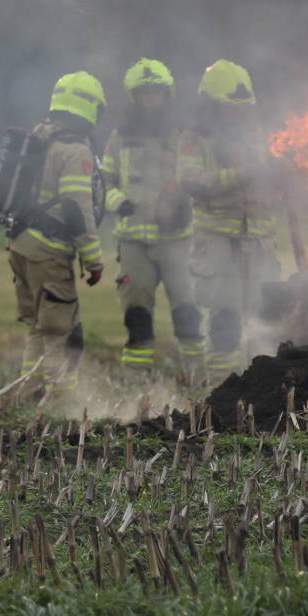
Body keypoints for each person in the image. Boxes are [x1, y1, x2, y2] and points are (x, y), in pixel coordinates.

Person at [100, 59, 207, 377]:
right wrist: (117, 201)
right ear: (134, 97)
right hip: (133, 242)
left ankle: (199, 380)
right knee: (137, 315)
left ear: (167, 95)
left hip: (176, 241)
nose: (151, 100)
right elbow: (105, 182)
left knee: (188, 313)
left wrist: (185, 201)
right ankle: (136, 383)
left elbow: (196, 177)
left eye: (156, 94)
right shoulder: (119, 137)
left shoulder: (182, 135)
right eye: (144, 94)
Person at [5, 72, 109, 397]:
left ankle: (27, 397)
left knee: (38, 328)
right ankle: (61, 409)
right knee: (61, 334)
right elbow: (78, 209)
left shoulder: (40, 137)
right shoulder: (74, 150)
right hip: (49, 252)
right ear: (90, 108)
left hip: (20, 245)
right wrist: (93, 259)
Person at [187, 60, 283, 378]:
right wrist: (241, 175)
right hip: (218, 241)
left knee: (267, 318)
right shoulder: (194, 139)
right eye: (231, 108)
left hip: (259, 239)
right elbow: (193, 182)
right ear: (211, 106)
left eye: (243, 108)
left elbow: (271, 175)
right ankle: (221, 396)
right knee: (224, 323)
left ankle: (263, 390)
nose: (238, 114)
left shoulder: (255, 135)